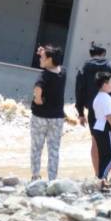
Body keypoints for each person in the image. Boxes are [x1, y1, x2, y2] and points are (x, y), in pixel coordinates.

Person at [75, 42, 111, 180]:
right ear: (104, 53)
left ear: (91, 54)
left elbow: (79, 90)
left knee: (95, 142)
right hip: (110, 110)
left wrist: (81, 112)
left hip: (94, 110)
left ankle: (98, 174)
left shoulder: (85, 67)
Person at [30, 44, 66, 181]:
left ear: (50, 59)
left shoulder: (43, 75)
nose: (40, 59)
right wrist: (44, 52)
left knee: (36, 148)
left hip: (40, 116)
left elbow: (38, 89)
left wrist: (38, 100)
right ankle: (52, 179)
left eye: (42, 57)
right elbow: (55, 56)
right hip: (57, 118)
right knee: (54, 149)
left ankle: (35, 176)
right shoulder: (63, 72)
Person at [90, 71, 111, 191]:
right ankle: (101, 178)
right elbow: (109, 115)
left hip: (98, 128)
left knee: (104, 155)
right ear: (104, 84)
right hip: (106, 128)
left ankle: (102, 179)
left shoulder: (97, 97)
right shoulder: (106, 98)